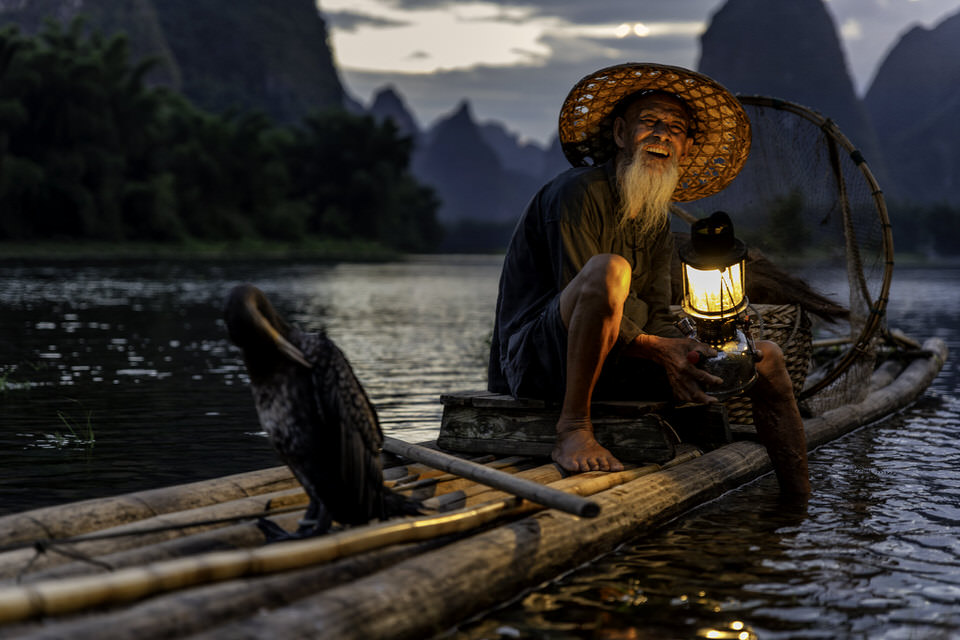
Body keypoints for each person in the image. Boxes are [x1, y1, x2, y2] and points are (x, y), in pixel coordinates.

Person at [487, 63, 810, 496]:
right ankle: (573, 429)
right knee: (609, 270)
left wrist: (685, 357)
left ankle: (798, 499)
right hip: (542, 365)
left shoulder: (656, 217)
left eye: (675, 129)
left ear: (686, 147)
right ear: (621, 134)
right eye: (650, 123)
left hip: (618, 361)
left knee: (765, 356)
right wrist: (659, 350)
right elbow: (587, 300)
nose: (662, 135)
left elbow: (657, 313)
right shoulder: (578, 194)